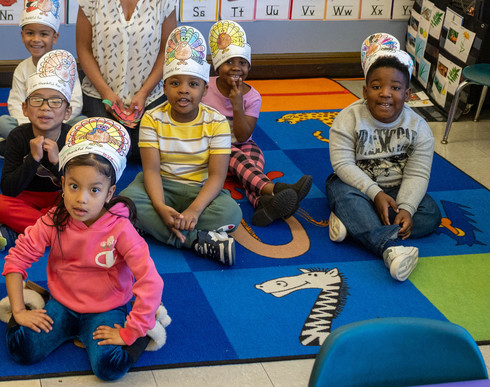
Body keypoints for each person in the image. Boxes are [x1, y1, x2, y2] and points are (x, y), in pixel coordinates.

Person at [2, 117, 163, 382]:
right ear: (62, 183)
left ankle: (149, 325)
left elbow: (151, 281)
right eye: (74, 186)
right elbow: (17, 259)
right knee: (21, 349)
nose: (82, 199)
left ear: (109, 193)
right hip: (63, 305)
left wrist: (130, 332)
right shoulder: (54, 219)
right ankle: (39, 302)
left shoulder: (121, 229)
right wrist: (19, 311)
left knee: (110, 368)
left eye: (95, 190)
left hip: (106, 308)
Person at [120, 26, 241, 265]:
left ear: (205, 89)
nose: (183, 89)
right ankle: (195, 240)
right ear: (164, 88)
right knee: (124, 205)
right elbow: (152, 171)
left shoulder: (217, 122)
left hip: (199, 189)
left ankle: (158, 227)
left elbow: (217, 176)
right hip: (160, 185)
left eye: (193, 84)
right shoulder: (152, 119)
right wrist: (160, 206)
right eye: (175, 83)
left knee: (231, 213)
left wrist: (194, 211)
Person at [327, 34, 441, 282]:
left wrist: (408, 208)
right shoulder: (348, 118)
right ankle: (391, 250)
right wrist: (375, 193)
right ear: (365, 91)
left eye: (396, 88)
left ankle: (355, 226)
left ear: (408, 94)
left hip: (398, 190)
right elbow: (343, 164)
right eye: (377, 87)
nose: (385, 94)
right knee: (344, 195)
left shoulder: (419, 127)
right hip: (356, 186)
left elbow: (417, 173)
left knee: (431, 213)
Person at [76, 0, 177, 156]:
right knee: (105, 148)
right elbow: (83, 49)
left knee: (146, 150)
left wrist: (143, 94)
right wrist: (107, 95)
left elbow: (168, 50)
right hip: (101, 94)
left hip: (151, 94)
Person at [203, 20, 312, 226]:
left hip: (244, 145)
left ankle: (264, 205)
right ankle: (276, 189)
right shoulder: (205, 87)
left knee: (253, 161)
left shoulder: (252, 97)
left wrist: (238, 105)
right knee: (233, 154)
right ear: (218, 65)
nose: (236, 68)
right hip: (211, 151)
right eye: (229, 62)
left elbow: (243, 137)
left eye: (242, 63)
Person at [0, 50, 77, 251]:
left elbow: (77, 187)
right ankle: (60, 234)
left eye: (55, 101)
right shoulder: (18, 136)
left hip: (59, 199)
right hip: (25, 197)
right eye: (37, 100)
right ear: (25, 109)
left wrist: (57, 163)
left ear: (67, 111)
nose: (45, 108)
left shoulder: (72, 137)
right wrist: (32, 159)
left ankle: (24, 233)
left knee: (83, 206)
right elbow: (8, 189)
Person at [0, 0, 84, 158]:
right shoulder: (22, 69)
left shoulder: (65, 65)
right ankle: (53, 149)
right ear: (22, 35)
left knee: (81, 122)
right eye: (30, 33)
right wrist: (35, 123)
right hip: (30, 124)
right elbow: (16, 104)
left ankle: (19, 148)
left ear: (54, 37)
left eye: (43, 34)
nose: (36, 40)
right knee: (2, 123)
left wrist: (55, 121)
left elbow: (76, 102)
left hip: (59, 122)